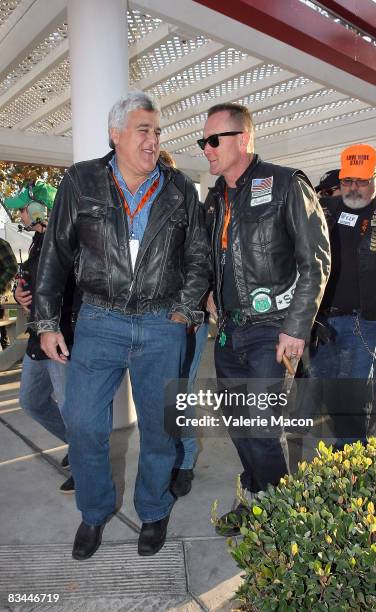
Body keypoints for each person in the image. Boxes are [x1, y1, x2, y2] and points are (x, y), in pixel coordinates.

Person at [35, 91, 210, 559]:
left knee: (160, 430)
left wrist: (184, 311)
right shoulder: (81, 181)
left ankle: (153, 511)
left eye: (157, 132)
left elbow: (198, 256)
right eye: (143, 130)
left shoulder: (180, 189)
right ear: (115, 135)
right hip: (99, 321)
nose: (153, 141)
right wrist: (48, 321)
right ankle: (94, 512)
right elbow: (55, 252)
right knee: (84, 423)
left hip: (161, 324)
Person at [200, 102, 330, 535]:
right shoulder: (215, 196)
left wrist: (296, 328)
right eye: (204, 141)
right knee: (239, 425)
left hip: (272, 327)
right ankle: (260, 498)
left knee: (262, 425)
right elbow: (209, 256)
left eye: (214, 139)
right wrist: (206, 293)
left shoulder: (286, 184)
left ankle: (280, 514)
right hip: (230, 331)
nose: (207, 148)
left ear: (245, 138)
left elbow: (315, 262)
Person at [310, 144, 376, 445]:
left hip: (366, 320)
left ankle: (352, 452)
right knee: (330, 391)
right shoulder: (325, 210)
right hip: (325, 322)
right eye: (347, 181)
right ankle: (349, 447)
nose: (353, 188)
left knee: (356, 395)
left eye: (361, 181)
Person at [4, 181, 77, 492]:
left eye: (22, 209)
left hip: (60, 336)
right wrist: (20, 293)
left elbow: (69, 285)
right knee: (31, 401)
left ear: (36, 210)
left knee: (70, 407)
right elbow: (36, 282)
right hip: (37, 337)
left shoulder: (62, 238)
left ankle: (85, 464)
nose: (18, 215)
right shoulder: (37, 240)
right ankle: (77, 446)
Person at [158, 149, 209, 497]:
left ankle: (185, 461)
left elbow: (203, 264)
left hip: (187, 319)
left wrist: (190, 311)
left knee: (181, 393)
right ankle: (168, 457)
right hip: (153, 320)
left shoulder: (191, 210)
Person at [0, 237, 18, 349]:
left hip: (3, 295)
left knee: (8, 324)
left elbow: (12, 267)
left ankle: (6, 347)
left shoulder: (1, 243)